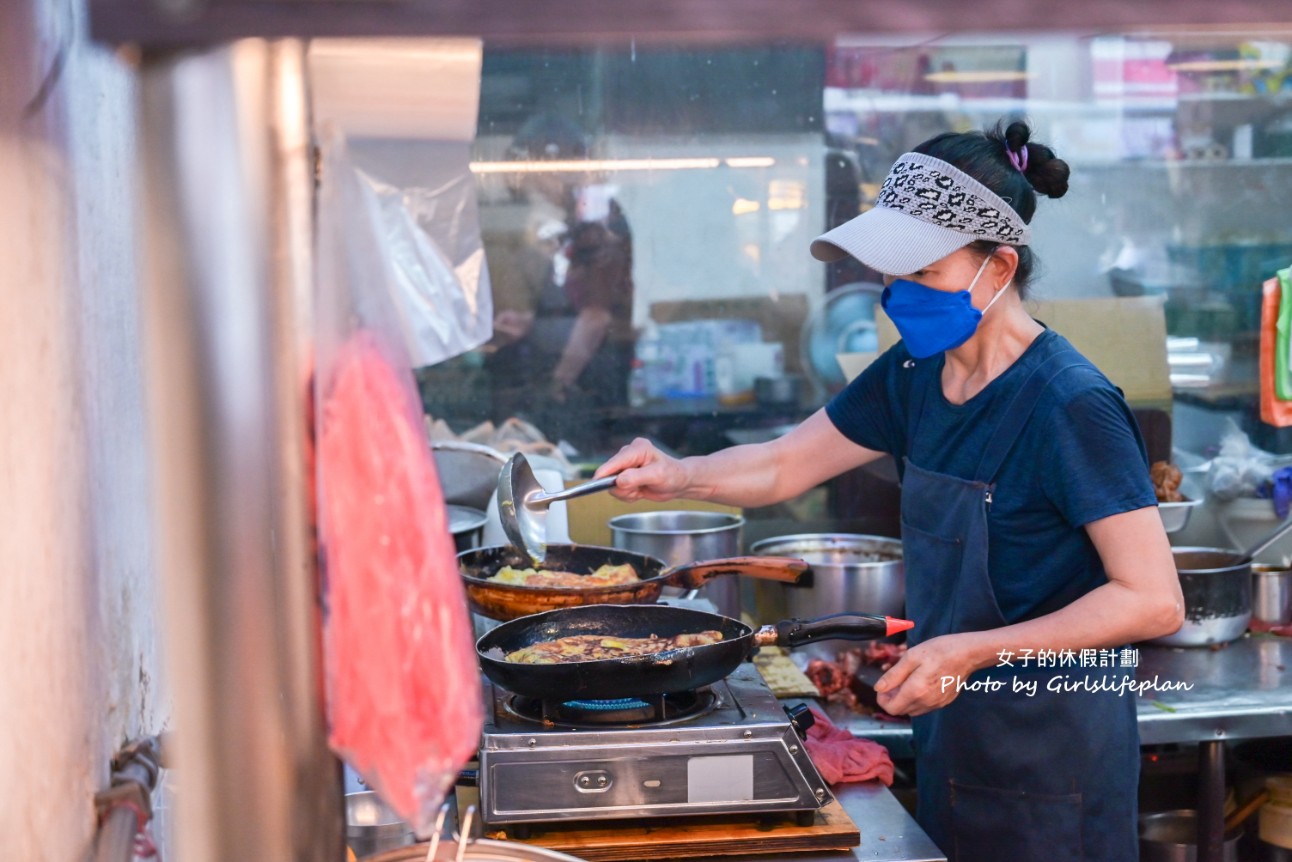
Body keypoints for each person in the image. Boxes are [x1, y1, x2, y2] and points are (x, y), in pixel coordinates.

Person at [594, 120, 1184, 862]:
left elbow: (1152, 597)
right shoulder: (916, 374)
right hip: (953, 738)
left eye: (922, 274)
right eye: (890, 274)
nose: (897, 296)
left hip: (1054, 757)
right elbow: (782, 465)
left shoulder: (1070, 403)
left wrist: (969, 651)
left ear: (998, 268)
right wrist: (680, 473)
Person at [482, 113, 634, 448]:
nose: (534, 188)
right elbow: (572, 306)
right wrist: (530, 324)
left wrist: (557, 384)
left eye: (536, 178)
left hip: (586, 389)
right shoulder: (572, 222)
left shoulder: (599, 221)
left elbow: (596, 317)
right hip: (567, 384)